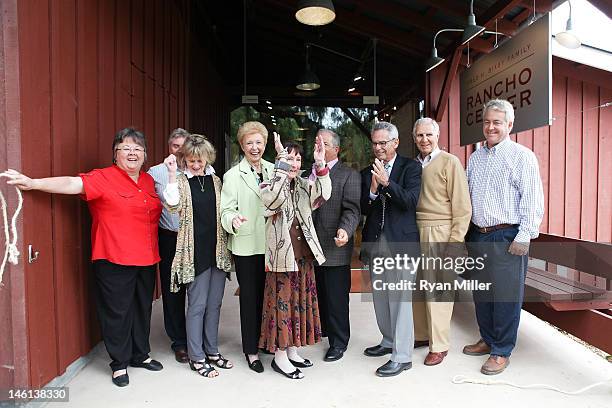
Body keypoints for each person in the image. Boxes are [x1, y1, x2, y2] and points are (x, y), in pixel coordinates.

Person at [1, 128, 163, 387]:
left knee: (141, 308)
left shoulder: (147, 181)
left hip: (146, 257)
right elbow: (71, 183)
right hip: (113, 257)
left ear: (145, 155)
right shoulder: (103, 178)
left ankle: (139, 355)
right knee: (117, 312)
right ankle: (119, 364)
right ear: (115, 154)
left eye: (138, 149)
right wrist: (34, 183)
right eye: (126, 148)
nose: (132, 153)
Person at [464, 99, 544, 375]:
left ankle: (501, 350)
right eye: (487, 122)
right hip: (478, 235)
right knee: (482, 293)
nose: (490, 127)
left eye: (497, 122)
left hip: (507, 236)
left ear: (509, 125)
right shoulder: (475, 157)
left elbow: (533, 200)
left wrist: (524, 236)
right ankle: (487, 339)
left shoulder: (522, 156)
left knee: (506, 296)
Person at [258, 134, 331, 379]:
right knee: (283, 306)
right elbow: (272, 201)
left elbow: (323, 196)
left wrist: (320, 165)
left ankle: (292, 349)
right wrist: (280, 165)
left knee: (298, 304)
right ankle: (279, 357)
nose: (294, 164)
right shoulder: (268, 185)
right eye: (289, 158)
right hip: (281, 258)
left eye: (298, 159)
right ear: (280, 161)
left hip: (303, 257)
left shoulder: (302, 185)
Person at [163, 134, 233, 379]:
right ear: (185, 160)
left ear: (206, 159)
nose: (195, 164)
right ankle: (197, 356)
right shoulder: (181, 182)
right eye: (191, 160)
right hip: (194, 252)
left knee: (214, 305)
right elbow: (171, 204)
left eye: (199, 160)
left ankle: (212, 351)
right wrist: (172, 174)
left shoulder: (216, 181)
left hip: (217, 250)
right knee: (197, 305)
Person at [360, 121, 421, 377]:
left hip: (402, 244)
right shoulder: (367, 171)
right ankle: (388, 341)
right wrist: (372, 192)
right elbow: (364, 208)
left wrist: (386, 183)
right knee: (381, 299)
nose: (378, 147)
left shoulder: (411, 167)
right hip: (376, 242)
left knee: (400, 301)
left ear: (395, 143)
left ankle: (403, 356)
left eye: (383, 143)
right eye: (375, 143)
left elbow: (410, 201)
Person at [411, 118, 471, 366]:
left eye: (428, 135)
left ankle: (440, 345)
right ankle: (423, 335)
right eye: (419, 136)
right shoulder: (414, 165)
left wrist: (455, 241)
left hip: (441, 230)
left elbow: (463, 207)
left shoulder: (450, 162)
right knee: (417, 290)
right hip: (415, 230)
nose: (424, 140)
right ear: (414, 138)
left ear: (437, 136)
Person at [220, 121, 274, 373]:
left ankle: (267, 343)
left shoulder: (274, 170)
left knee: (269, 298)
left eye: (259, 142)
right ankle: (251, 350)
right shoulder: (232, 176)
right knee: (250, 298)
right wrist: (233, 219)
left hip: (273, 245)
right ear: (242, 146)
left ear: (265, 144)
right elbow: (226, 210)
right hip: (247, 246)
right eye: (249, 143)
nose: (255, 147)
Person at [311, 129, 361, 362]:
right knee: (317, 294)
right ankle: (323, 329)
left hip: (334, 245)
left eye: (324, 143)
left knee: (336, 298)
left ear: (336, 149)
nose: (318, 146)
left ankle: (339, 342)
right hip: (309, 248)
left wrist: (346, 230)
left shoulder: (348, 175)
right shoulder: (304, 173)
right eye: (316, 142)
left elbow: (352, 210)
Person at [147, 128, 190, 363]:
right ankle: (179, 341)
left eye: (184, 145)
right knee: (173, 290)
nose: (180, 151)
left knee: (196, 289)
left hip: (194, 238)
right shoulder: (155, 173)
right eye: (175, 146)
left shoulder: (202, 168)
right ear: (169, 148)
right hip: (169, 237)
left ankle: (196, 337)